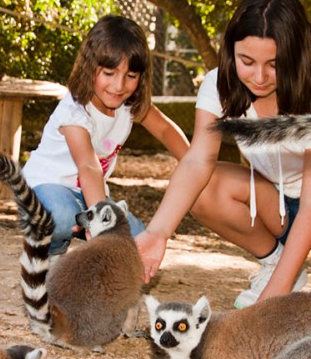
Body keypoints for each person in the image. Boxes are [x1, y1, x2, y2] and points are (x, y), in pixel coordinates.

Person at [136, 0, 311, 308]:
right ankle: (278, 265)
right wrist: (158, 233)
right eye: (247, 61)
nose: (259, 77)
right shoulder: (218, 85)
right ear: (232, 51)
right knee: (203, 186)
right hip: (275, 198)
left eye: (274, 64)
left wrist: (268, 308)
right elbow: (198, 161)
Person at [22, 15, 189, 256]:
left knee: (138, 244)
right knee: (59, 215)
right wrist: (101, 225)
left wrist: (194, 163)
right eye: (109, 73)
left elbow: (165, 129)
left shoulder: (129, 105)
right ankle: (51, 254)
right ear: (91, 67)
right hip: (46, 192)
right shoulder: (75, 111)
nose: (119, 85)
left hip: (89, 197)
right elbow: (89, 167)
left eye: (130, 76)